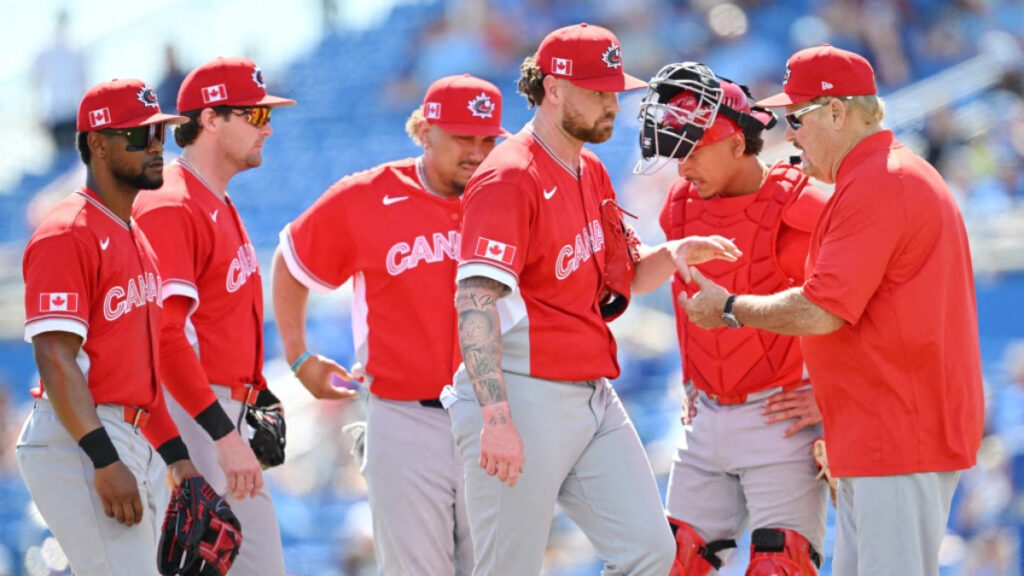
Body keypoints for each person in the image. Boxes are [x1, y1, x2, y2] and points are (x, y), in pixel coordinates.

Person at [678, 45, 985, 576]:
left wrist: (728, 308)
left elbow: (821, 310)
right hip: (876, 432)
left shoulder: (882, 182)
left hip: (899, 433)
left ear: (838, 112)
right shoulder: (876, 177)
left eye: (797, 118)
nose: (790, 134)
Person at [446, 24, 738, 576]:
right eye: (598, 91)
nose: (612, 104)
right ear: (554, 88)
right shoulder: (509, 176)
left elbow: (623, 277)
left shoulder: (592, 169)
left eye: (614, 91)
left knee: (651, 553)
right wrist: (496, 417)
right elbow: (475, 300)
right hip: (522, 392)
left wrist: (675, 251)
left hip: (591, 392)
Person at [272, 73, 506, 576]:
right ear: (424, 131)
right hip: (405, 417)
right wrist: (298, 354)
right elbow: (291, 262)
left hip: (496, 415)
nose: (477, 151)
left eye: (488, 139)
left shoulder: (509, 196)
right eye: (463, 137)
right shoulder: (367, 196)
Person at [632, 61, 829, 575]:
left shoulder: (802, 203)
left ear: (738, 145)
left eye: (691, 150)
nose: (681, 168)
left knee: (777, 566)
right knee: (670, 563)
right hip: (702, 419)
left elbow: (864, 299)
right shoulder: (679, 205)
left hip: (780, 417)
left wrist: (832, 397)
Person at [17, 78, 198, 576]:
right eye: (141, 137)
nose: (158, 147)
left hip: (132, 433)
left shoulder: (134, 236)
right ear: (98, 143)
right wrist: (102, 458)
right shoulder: (66, 232)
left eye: (161, 133)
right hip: (82, 433)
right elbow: (54, 356)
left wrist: (177, 457)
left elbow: (143, 372)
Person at [132, 57, 295, 576]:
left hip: (222, 409)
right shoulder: (171, 204)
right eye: (253, 115)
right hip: (195, 412)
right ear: (208, 118)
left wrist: (258, 392)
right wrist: (224, 436)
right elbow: (164, 336)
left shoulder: (214, 200)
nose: (267, 128)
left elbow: (222, 322)